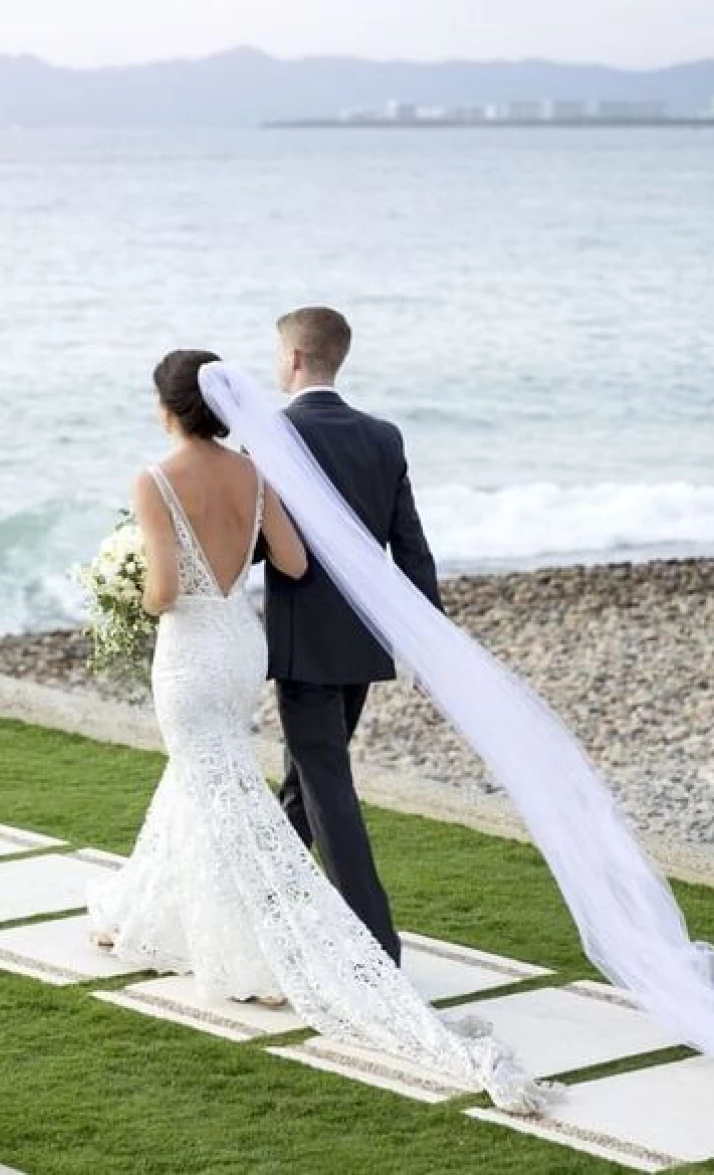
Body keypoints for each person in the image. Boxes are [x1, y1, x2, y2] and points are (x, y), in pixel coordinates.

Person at [85, 349, 550, 1115]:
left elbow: (164, 589)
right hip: (243, 648)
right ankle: (156, 908)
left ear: (168, 408)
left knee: (214, 783)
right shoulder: (255, 470)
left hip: (193, 652)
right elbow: (295, 562)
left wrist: (134, 589)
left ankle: (244, 942)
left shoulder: (154, 477)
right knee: (210, 780)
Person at [263, 305, 441, 961]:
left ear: (294, 359)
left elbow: (262, 546)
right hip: (366, 644)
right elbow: (412, 551)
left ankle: (374, 945)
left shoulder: (275, 435)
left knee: (326, 784)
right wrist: (430, 645)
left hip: (303, 647)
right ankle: (266, 908)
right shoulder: (383, 437)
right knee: (303, 785)